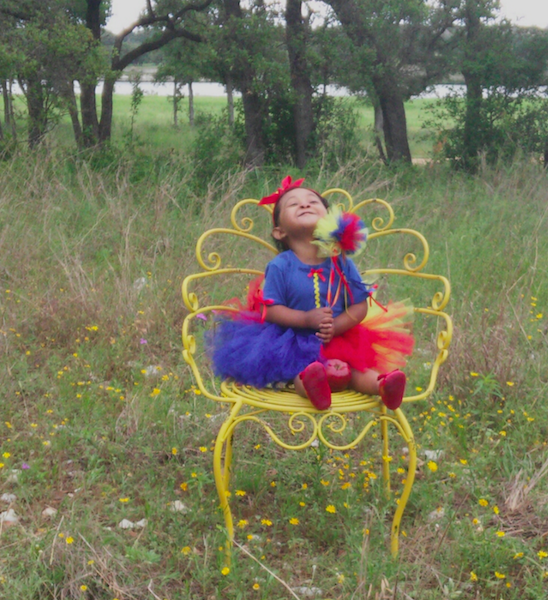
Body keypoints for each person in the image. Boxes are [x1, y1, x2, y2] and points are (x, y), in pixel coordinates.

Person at [209, 176, 414, 411]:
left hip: (339, 336)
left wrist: (337, 326)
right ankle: (313, 387)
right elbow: (269, 309)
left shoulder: (342, 261)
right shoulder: (280, 265)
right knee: (302, 368)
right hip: (291, 339)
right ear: (279, 231)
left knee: (357, 371)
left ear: (330, 219)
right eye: (293, 204)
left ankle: (383, 385)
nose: (304, 204)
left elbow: (359, 305)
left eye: (312, 202)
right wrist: (306, 319)